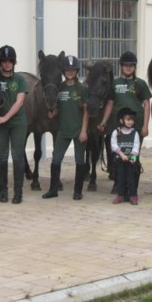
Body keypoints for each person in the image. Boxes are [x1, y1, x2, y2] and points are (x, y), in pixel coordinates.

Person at [99, 51, 152, 191]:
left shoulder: (140, 84)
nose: (128, 68)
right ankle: (118, 184)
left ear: (135, 67)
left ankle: (132, 186)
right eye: (125, 65)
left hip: (135, 126)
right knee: (117, 157)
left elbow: (147, 104)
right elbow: (110, 104)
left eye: (131, 65)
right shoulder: (114, 83)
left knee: (133, 156)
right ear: (121, 67)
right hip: (117, 127)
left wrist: (146, 125)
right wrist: (104, 121)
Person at [42, 55, 89, 201]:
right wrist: (53, 113)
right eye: (67, 70)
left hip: (78, 130)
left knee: (79, 160)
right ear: (63, 71)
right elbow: (59, 108)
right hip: (63, 131)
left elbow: (86, 111)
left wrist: (83, 131)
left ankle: (78, 191)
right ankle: (53, 189)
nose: (70, 72)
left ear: (76, 71)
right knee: (56, 160)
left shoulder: (82, 88)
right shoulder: (60, 87)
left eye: (72, 69)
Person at [0, 45, 28, 204]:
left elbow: (19, 102)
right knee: (2, 157)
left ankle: (18, 192)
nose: (6, 64)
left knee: (18, 157)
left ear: (14, 62)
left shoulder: (19, 79)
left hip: (18, 123)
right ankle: (3, 191)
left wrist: (5, 118)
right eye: (4, 61)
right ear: (0, 62)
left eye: (10, 61)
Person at [111, 107, 141, 205]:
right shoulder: (116, 132)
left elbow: (136, 146)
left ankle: (133, 195)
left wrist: (132, 157)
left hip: (131, 160)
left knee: (131, 178)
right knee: (120, 178)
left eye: (132, 120)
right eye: (128, 120)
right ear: (121, 120)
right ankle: (120, 195)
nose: (130, 122)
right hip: (120, 159)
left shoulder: (135, 133)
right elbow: (114, 145)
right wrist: (121, 154)